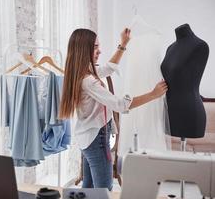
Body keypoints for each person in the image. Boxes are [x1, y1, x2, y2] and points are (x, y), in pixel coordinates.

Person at [59, 28, 168, 190]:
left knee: (88, 189)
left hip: (86, 139)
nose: (100, 51)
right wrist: (153, 94)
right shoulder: (88, 80)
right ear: (84, 49)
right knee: (104, 190)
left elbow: (108, 68)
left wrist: (123, 44)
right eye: (95, 47)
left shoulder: (81, 72)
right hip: (96, 141)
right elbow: (120, 105)